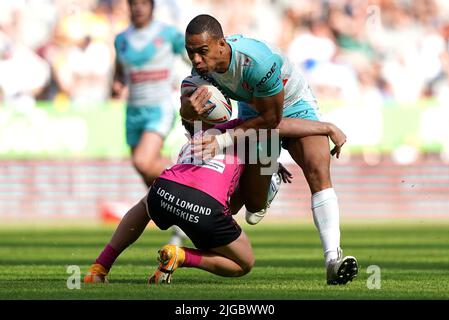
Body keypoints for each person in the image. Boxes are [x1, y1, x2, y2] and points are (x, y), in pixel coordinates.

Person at [180, 14, 358, 285]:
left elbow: (272, 122)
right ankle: (269, 176)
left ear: (221, 44)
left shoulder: (257, 63)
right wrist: (188, 111)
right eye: (190, 52)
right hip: (254, 114)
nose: (196, 60)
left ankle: (333, 259)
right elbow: (193, 127)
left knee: (317, 165)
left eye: (202, 51)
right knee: (251, 208)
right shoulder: (201, 75)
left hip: (293, 106)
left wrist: (222, 140)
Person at [84, 113, 348, 284]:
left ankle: (100, 267)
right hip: (205, 208)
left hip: (165, 188)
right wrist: (327, 127)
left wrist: (268, 162)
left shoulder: (195, 138)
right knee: (243, 263)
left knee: (144, 204)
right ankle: (181, 256)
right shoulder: (238, 128)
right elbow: (279, 126)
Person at [112, 0, 189, 245]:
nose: (138, 7)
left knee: (143, 161)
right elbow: (118, 69)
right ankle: (180, 214)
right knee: (146, 173)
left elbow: (192, 58)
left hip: (159, 107)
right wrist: (116, 83)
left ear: (152, 6)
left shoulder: (167, 34)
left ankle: (188, 186)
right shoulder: (121, 39)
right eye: (134, 3)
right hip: (133, 110)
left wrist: (204, 78)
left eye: (144, 3)